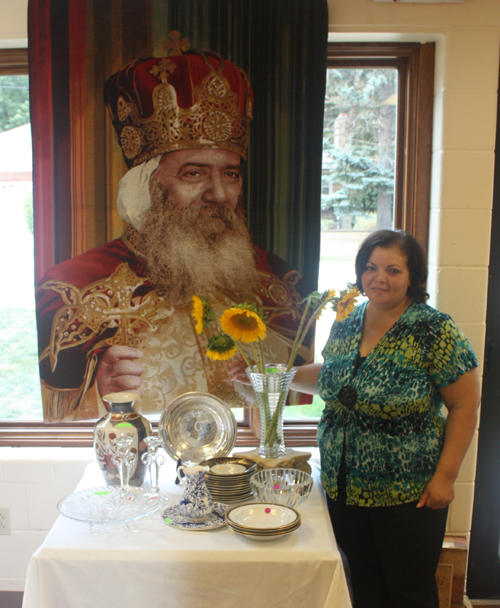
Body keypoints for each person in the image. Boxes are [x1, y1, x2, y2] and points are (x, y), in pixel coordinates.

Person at [35, 46, 313, 422]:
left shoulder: (280, 283)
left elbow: (300, 414)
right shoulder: (72, 291)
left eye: (231, 174)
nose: (218, 193)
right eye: (193, 174)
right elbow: (57, 429)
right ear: (147, 185)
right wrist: (100, 394)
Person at [233, 229, 480, 608]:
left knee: (409, 591)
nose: (379, 278)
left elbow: (465, 404)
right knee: (362, 585)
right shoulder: (349, 319)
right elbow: (335, 376)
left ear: (413, 276)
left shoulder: (434, 329)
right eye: (371, 267)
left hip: (408, 492)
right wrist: (276, 376)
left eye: (393, 270)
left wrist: (446, 477)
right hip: (344, 487)